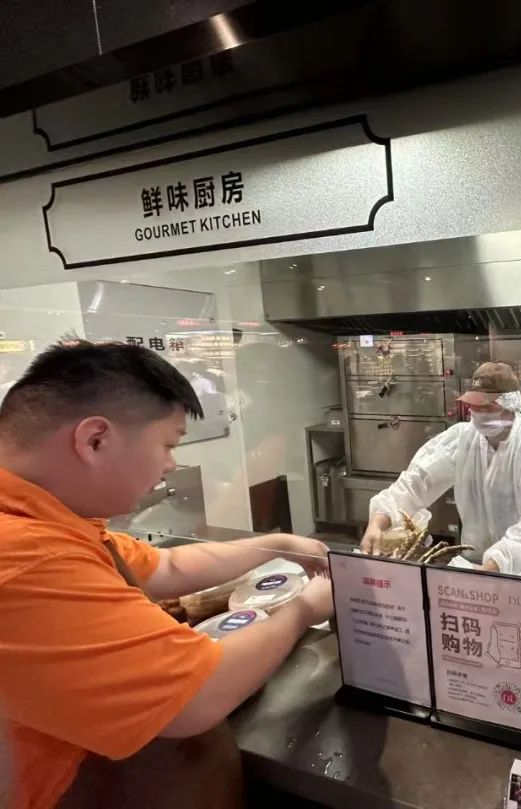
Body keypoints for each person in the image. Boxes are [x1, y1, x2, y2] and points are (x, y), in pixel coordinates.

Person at [0, 340, 334, 809]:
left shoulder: (50, 519)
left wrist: (279, 546)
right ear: (95, 440)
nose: (170, 466)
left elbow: (166, 566)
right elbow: (196, 697)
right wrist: (304, 610)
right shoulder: (26, 557)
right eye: (168, 444)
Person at [361, 362, 521, 574]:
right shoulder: (463, 438)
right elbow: (417, 482)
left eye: (487, 407)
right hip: (476, 562)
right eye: (474, 405)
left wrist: (498, 562)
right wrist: (379, 521)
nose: (478, 412)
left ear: (509, 405)